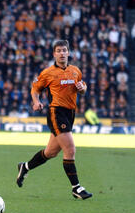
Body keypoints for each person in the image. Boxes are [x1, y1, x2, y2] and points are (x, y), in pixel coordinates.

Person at [16, 40, 93, 200]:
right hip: (56, 112)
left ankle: (25, 167)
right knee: (70, 149)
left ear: (68, 53)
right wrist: (36, 102)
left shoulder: (75, 71)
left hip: (70, 114)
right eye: (59, 50)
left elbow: (83, 88)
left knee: (50, 152)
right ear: (54, 54)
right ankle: (76, 188)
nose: (62, 53)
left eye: (65, 50)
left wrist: (83, 89)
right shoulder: (48, 73)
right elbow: (35, 89)